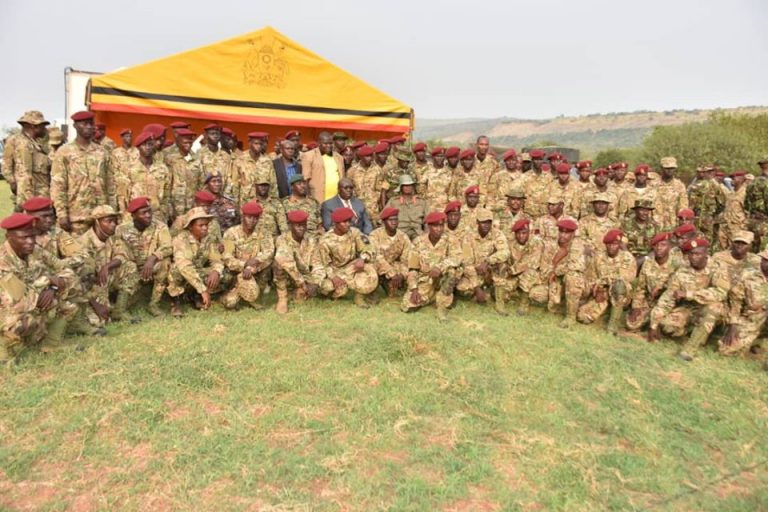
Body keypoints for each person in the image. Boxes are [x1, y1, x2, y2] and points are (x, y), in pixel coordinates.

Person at [0, 213, 81, 363]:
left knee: (70, 296)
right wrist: (47, 281)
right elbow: (19, 300)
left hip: (33, 304)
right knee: (22, 321)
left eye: (32, 236)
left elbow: (65, 268)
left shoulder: (35, 250)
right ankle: (4, 353)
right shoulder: (2, 261)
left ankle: (50, 345)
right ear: (9, 238)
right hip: (9, 313)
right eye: (24, 237)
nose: (30, 241)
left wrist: (53, 288)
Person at [648, 238, 729, 361]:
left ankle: (689, 349)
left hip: (711, 309)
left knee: (714, 308)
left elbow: (721, 292)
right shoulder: (682, 270)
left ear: (706, 254)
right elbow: (668, 297)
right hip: (689, 309)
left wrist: (689, 294)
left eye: (698, 254)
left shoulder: (718, 267)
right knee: (667, 326)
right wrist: (653, 325)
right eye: (691, 254)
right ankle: (695, 331)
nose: (693, 257)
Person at [50, 111, 116, 235]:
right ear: (75, 126)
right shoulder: (64, 152)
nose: (89, 127)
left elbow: (111, 184)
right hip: (76, 217)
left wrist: (112, 211)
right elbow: (58, 185)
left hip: (101, 216)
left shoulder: (102, 152)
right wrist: (62, 214)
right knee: (76, 247)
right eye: (85, 124)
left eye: (91, 123)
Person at [77, 205, 139, 325]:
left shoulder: (113, 237)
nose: (113, 224)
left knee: (130, 267)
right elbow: (79, 280)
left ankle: (119, 311)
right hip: (90, 286)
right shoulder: (83, 243)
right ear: (96, 222)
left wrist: (107, 266)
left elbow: (122, 254)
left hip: (106, 278)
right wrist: (96, 305)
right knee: (101, 321)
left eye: (115, 221)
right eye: (109, 221)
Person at [114, 197, 173, 317]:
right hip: (130, 269)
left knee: (165, 262)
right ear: (133, 215)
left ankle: (154, 304)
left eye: (149, 211)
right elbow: (118, 251)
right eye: (143, 213)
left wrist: (152, 258)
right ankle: (120, 309)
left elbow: (168, 247)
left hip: (152, 266)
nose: (148, 215)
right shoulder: (122, 229)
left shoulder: (160, 227)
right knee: (128, 266)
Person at [400, 211, 462, 320]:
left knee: (452, 270)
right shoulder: (418, 242)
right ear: (429, 226)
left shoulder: (451, 240)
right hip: (426, 279)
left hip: (443, 278)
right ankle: (433, 296)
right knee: (407, 305)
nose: (439, 229)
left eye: (441, 225)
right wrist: (414, 289)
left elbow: (457, 258)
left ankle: (444, 299)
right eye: (435, 226)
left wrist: (440, 267)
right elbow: (413, 268)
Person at [311, 207, 378, 307]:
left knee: (369, 267)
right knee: (331, 288)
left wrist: (362, 258)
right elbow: (324, 263)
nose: (348, 224)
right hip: (335, 270)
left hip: (351, 267)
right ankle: (329, 294)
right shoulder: (325, 240)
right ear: (336, 223)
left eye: (349, 221)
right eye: (344, 222)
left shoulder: (354, 232)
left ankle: (360, 295)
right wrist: (333, 277)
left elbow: (368, 247)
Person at [167, 207, 225, 317]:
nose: (205, 228)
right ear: (190, 226)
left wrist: (216, 271)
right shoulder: (181, 239)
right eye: (201, 225)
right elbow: (185, 267)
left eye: (206, 225)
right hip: (183, 273)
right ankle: (176, 301)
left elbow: (216, 259)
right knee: (176, 270)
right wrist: (202, 290)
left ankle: (194, 296)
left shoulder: (209, 238)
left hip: (197, 271)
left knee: (224, 275)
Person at [577, 229, 637, 334]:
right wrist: (597, 290)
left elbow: (625, 278)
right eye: (609, 244)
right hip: (602, 295)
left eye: (615, 244)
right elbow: (591, 278)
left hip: (621, 294)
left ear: (619, 245)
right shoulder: (598, 257)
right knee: (582, 317)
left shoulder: (627, 257)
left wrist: (601, 283)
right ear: (605, 245)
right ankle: (607, 310)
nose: (612, 247)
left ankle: (612, 325)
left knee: (618, 285)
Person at [531, 219, 587, 328]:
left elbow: (575, 265)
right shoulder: (552, 246)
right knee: (535, 294)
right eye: (561, 231)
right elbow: (546, 268)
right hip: (558, 283)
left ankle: (571, 317)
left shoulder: (577, 246)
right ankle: (565, 305)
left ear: (573, 234)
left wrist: (556, 271)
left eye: (567, 233)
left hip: (580, 284)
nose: (563, 235)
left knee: (572, 276)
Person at [220, 201, 275, 310]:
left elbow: (269, 251)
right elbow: (227, 256)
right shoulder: (230, 233)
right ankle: (233, 290)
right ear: (243, 216)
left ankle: (254, 295)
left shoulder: (264, 233)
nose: (252, 221)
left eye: (255, 218)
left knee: (269, 263)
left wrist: (254, 264)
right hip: (235, 272)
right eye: (249, 217)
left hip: (256, 271)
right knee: (230, 303)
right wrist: (244, 265)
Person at [455, 208, 510, 313]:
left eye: (489, 222)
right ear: (477, 222)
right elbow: (467, 263)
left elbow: (505, 252)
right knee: (463, 289)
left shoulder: (497, 234)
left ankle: (499, 302)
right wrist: (477, 289)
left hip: (491, 272)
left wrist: (488, 261)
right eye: (483, 222)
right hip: (475, 272)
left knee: (502, 265)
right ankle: (482, 290)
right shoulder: (468, 236)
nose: (486, 225)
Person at [626, 232, 682, 332]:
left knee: (667, 327)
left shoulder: (677, 264)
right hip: (651, 302)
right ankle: (651, 318)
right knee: (631, 324)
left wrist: (662, 287)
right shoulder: (648, 263)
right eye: (656, 245)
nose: (659, 248)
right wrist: (636, 307)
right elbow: (641, 288)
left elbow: (677, 289)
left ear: (669, 247)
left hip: (670, 305)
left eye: (663, 245)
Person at [719, 249, 768, 356]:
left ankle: (758, 343)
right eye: (765, 260)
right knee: (726, 350)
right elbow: (735, 301)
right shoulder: (748, 275)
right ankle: (754, 341)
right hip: (749, 317)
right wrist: (733, 325)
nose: (766, 263)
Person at [273, 210, 319, 314]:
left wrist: (314, 283)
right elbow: (286, 263)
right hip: (289, 276)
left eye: (303, 225)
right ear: (290, 226)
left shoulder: (311, 240)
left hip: (305, 275)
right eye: (298, 225)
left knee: (302, 298)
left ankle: (298, 292)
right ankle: (283, 298)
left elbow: (318, 263)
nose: (301, 228)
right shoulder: (282, 239)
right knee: (278, 265)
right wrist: (302, 283)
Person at [120, 131, 171, 222]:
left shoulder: (162, 169)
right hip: (135, 216)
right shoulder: (128, 169)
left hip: (157, 215)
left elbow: (167, 195)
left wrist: (164, 212)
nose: (148, 147)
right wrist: (125, 216)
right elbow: (123, 196)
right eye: (144, 145)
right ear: (138, 147)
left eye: (150, 144)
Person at [498, 218, 544, 315]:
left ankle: (524, 303)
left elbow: (532, 263)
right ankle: (515, 293)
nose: (521, 236)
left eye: (524, 233)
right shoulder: (511, 243)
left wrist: (512, 270)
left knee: (529, 273)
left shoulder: (536, 242)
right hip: (514, 275)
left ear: (529, 232)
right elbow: (506, 258)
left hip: (530, 275)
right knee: (501, 294)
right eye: (518, 233)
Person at [22, 197, 83, 267]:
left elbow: (80, 255)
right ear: (30, 217)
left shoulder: (57, 233)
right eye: (44, 216)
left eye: (51, 216)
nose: (49, 220)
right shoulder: (18, 237)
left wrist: (57, 265)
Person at [10, 111, 51, 208]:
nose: (45, 129)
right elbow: (24, 175)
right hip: (32, 199)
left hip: (42, 196)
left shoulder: (38, 145)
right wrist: (29, 203)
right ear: (33, 126)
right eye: (42, 126)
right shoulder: (23, 145)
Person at [369, 207, 412, 298]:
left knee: (397, 292)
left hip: (392, 265)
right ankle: (369, 292)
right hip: (377, 265)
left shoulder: (403, 236)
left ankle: (388, 284)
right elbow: (377, 257)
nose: (394, 222)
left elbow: (407, 259)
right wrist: (392, 274)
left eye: (396, 219)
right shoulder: (375, 235)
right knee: (369, 270)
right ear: (384, 222)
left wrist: (402, 275)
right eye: (390, 220)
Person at [231, 131, 277, 205]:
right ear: (250, 143)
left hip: (263, 203)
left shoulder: (267, 161)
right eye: (256, 143)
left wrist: (274, 202)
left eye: (261, 144)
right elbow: (235, 184)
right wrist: (235, 203)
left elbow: (273, 184)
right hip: (245, 202)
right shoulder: (240, 160)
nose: (259, 146)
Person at [167, 128, 202, 222]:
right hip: (175, 205)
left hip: (192, 204)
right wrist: (169, 207)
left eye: (190, 143)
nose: (188, 145)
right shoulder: (170, 160)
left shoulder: (196, 159)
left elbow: (201, 183)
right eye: (185, 143)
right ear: (178, 143)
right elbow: (167, 185)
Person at [347, 145, 387, 224]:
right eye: (367, 156)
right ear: (361, 157)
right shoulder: (352, 171)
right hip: (357, 209)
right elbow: (349, 190)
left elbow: (381, 190)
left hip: (373, 210)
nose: (370, 158)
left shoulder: (378, 170)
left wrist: (382, 207)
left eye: (371, 156)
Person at [302, 131, 345, 204]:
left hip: (337, 198)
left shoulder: (339, 157)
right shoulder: (309, 156)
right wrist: (309, 198)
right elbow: (305, 179)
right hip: (318, 197)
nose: (329, 146)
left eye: (330, 143)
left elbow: (342, 177)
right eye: (325, 143)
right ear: (319, 143)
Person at [688, 165, 726, 244]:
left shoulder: (695, 186)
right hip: (705, 216)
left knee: (697, 238)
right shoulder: (714, 185)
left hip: (700, 216)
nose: (700, 174)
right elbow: (722, 202)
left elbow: (690, 204)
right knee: (707, 238)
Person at [384, 175, 428, 240]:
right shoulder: (393, 201)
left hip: (417, 233)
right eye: (405, 185)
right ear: (401, 187)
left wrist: (426, 235)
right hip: (400, 233)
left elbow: (428, 221)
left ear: (413, 187)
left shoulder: (421, 201)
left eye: (410, 185)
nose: (408, 187)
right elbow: (383, 219)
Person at [621, 199, 659, 268]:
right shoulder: (626, 225)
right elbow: (622, 244)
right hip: (630, 257)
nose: (645, 213)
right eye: (642, 210)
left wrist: (647, 258)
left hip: (648, 258)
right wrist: (630, 258)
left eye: (647, 210)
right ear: (636, 211)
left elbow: (658, 246)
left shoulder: (655, 226)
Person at [654, 157, 689, 231]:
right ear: (661, 168)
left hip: (674, 224)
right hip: (657, 224)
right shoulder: (653, 185)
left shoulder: (680, 185)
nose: (670, 170)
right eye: (667, 168)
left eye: (672, 168)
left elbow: (683, 206)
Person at [719, 171, 749, 250]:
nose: (731, 181)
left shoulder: (745, 193)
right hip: (726, 226)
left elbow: (748, 212)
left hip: (738, 227)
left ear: (741, 179)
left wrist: (744, 227)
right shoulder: (732, 193)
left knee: (736, 249)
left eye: (734, 178)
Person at [487, 150, 523, 214]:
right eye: (508, 160)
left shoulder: (522, 177)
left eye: (513, 160)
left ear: (516, 161)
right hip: (500, 210)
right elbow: (491, 195)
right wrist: (490, 210)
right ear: (505, 162)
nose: (511, 162)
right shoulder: (497, 176)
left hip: (517, 210)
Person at [744, 157, 768, 250]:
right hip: (764, 222)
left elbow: (746, 203)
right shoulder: (766, 183)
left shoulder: (752, 182)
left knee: (753, 249)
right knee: (764, 250)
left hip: (753, 220)